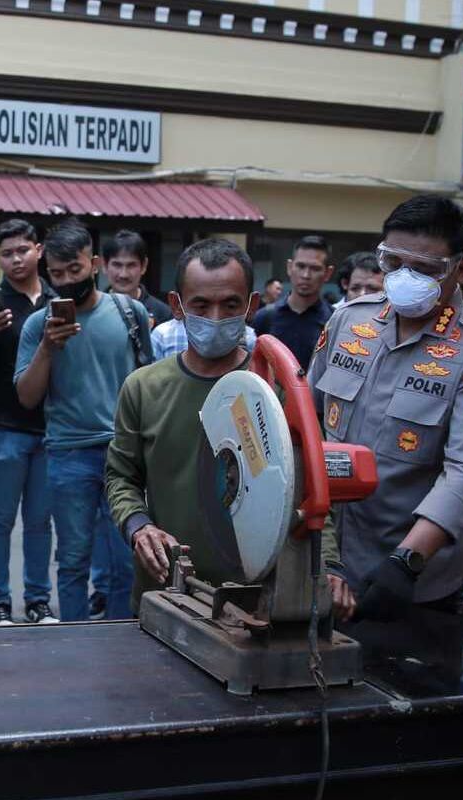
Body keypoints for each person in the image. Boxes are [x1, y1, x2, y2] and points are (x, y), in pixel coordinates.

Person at [106, 238, 350, 617]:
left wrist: (329, 567)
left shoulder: (276, 391)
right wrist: (139, 527)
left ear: (251, 306)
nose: (216, 317)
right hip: (166, 593)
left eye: (230, 304)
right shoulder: (142, 387)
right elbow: (120, 477)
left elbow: (314, 491)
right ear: (177, 306)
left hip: (258, 600)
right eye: (201, 305)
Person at [307, 195, 463, 622]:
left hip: (412, 579)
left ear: (461, 269)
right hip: (323, 561)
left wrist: (406, 562)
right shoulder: (349, 322)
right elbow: (303, 422)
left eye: (424, 270)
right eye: (393, 263)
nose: (403, 279)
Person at [15, 218, 152, 622]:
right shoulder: (38, 325)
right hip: (67, 454)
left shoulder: (131, 313)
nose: (66, 280)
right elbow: (26, 396)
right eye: (56, 274)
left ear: (93, 263)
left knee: (126, 557)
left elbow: (148, 382)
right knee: (73, 559)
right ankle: (74, 637)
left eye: (74, 270)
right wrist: (47, 348)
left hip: (123, 452)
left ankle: (121, 635)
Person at [0, 219, 57, 626]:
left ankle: (38, 601)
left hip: (54, 426)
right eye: (7, 253)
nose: (16, 259)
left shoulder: (59, 299)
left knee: (40, 522)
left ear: (38, 250)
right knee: (0, 521)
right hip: (4, 426)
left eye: (23, 250)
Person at [253, 235, 334, 370]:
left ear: (328, 273)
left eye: (315, 268)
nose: (306, 275)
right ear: (290, 267)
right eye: (300, 266)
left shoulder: (334, 321)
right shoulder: (264, 317)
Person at [103, 229, 170, 327]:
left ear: (144, 266)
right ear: (104, 266)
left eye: (131, 265)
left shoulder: (162, 314)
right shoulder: (93, 309)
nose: (123, 274)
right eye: (117, 265)